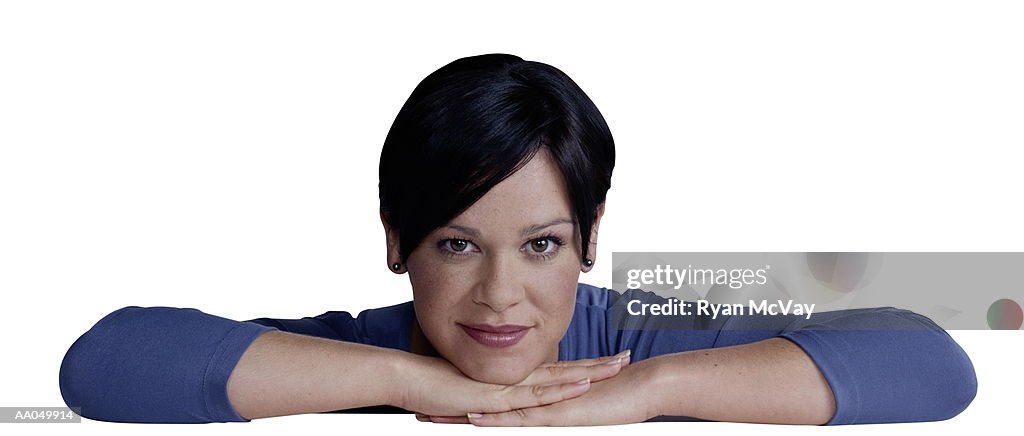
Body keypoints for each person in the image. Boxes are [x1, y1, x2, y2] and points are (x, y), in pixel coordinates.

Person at [58, 53, 978, 426]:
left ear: (589, 239)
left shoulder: (654, 332)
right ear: (397, 241)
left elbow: (931, 359)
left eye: (540, 245)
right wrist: (411, 381)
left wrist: (649, 394)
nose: (500, 298)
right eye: (457, 246)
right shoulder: (354, 346)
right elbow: (103, 363)